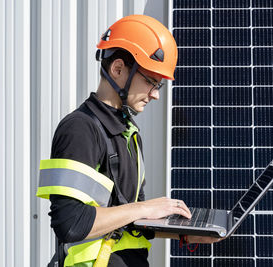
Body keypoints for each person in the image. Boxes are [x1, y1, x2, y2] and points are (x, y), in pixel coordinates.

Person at [36, 15, 221, 267]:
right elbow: (71, 224)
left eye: (160, 86)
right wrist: (145, 209)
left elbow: (124, 220)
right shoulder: (80, 129)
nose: (155, 94)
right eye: (150, 81)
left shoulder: (128, 131)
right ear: (118, 69)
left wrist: (181, 230)